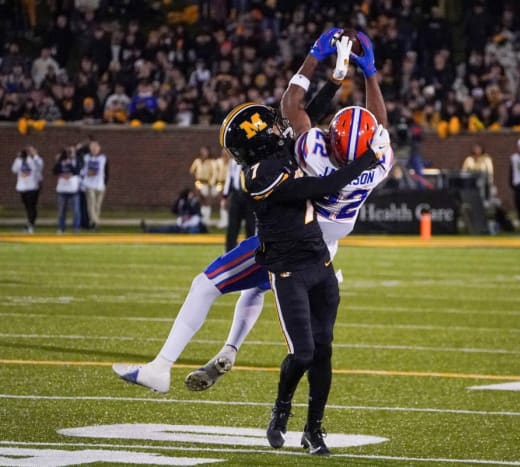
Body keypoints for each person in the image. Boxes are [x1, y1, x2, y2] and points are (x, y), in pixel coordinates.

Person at [113, 28, 392, 456]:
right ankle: (232, 350)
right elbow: (360, 125)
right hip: (325, 244)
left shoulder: (276, 166)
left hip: (291, 243)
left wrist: (315, 61)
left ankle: (162, 366)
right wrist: (361, 74)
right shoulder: (378, 162)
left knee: (207, 285)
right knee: (295, 324)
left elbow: (294, 109)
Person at [222, 149, 255, 249]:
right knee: (233, 226)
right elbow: (229, 178)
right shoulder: (233, 162)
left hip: (249, 197)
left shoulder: (252, 161)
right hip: (237, 196)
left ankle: (251, 252)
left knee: (250, 226)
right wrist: (225, 196)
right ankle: (229, 251)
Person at [141, 188, 208, 233]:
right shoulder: (182, 201)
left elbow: (197, 212)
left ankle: (149, 230)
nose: (192, 195)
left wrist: (189, 215)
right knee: (167, 228)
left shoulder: (194, 202)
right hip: (183, 224)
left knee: (194, 230)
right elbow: (174, 210)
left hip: (192, 224)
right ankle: (149, 230)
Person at [12, 145, 43, 233]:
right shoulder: (19, 160)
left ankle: (31, 225)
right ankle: (29, 224)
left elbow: (39, 167)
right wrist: (18, 158)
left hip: (32, 187)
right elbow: (14, 170)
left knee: (31, 207)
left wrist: (34, 156)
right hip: (22, 187)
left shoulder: (36, 160)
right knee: (27, 207)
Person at [53, 146, 81, 233]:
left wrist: (69, 164)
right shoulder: (61, 162)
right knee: (61, 210)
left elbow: (77, 171)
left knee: (76, 210)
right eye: (69, 152)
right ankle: (61, 228)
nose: (70, 154)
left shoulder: (77, 161)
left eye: (72, 152)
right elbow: (54, 171)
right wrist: (60, 161)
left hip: (73, 189)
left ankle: (75, 228)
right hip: (62, 189)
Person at [82, 141, 108, 230]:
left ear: (99, 148)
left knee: (97, 206)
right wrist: (87, 172)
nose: (94, 149)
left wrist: (105, 183)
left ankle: (93, 223)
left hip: (100, 185)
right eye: (92, 147)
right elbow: (84, 170)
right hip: (90, 185)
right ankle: (97, 222)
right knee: (91, 204)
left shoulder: (103, 158)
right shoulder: (86, 157)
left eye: (96, 147)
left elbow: (105, 171)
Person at [189, 145, 216, 225]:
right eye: (202, 151)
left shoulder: (211, 161)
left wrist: (211, 183)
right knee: (200, 199)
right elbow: (192, 170)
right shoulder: (197, 161)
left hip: (207, 183)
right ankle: (201, 217)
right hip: (199, 182)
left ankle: (207, 218)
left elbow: (213, 173)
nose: (204, 153)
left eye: (205, 151)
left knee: (207, 200)